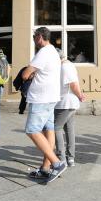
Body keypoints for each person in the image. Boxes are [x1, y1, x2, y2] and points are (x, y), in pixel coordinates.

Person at [20, 27, 67, 182]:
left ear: (40, 37)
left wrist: (30, 72)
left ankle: (56, 163)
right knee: (49, 129)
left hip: (41, 98)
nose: (34, 39)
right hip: (51, 97)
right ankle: (45, 168)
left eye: (34, 37)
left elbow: (26, 74)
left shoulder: (43, 52)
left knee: (32, 129)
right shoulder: (53, 51)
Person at [54, 48, 85, 167]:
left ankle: (61, 158)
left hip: (65, 103)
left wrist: (80, 95)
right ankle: (70, 158)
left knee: (56, 128)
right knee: (69, 129)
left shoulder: (65, 67)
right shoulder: (67, 65)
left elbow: (73, 84)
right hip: (68, 102)